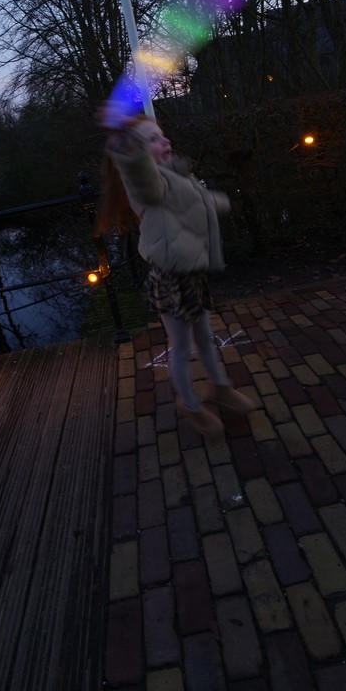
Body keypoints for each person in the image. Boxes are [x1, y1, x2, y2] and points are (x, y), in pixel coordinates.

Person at [97, 105, 256, 441]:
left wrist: (220, 202)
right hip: (171, 279)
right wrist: (126, 146)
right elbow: (140, 175)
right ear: (139, 153)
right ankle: (190, 405)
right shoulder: (147, 187)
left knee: (205, 337)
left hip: (193, 274)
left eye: (162, 135)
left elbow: (195, 202)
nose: (164, 141)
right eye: (153, 140)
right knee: (181, 346)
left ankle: (220, 387)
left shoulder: (178, 176)